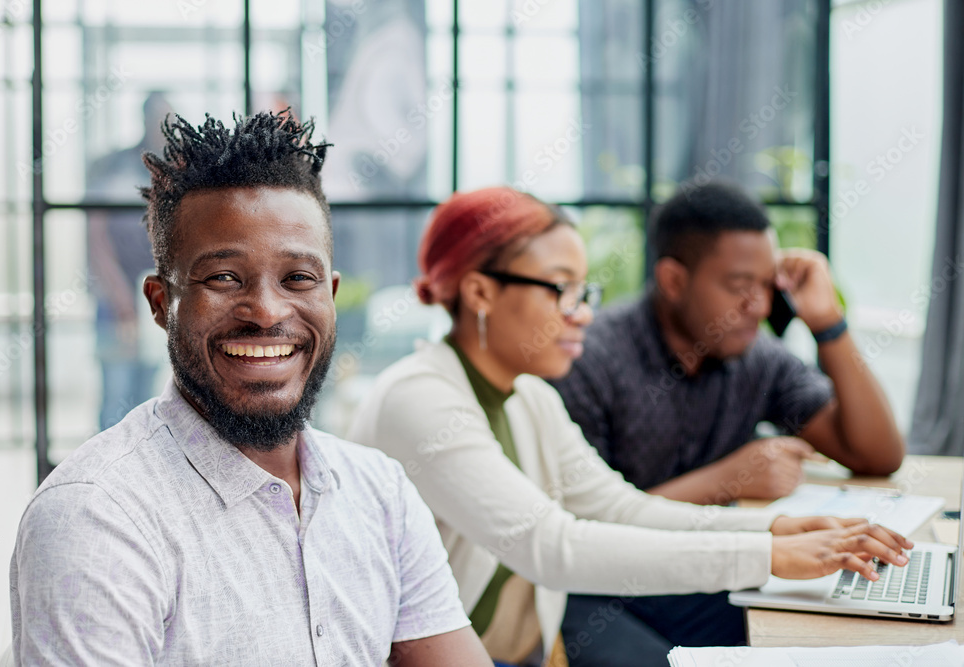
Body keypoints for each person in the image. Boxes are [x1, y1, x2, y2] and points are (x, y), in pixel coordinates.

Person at [346, 186, 912, 667]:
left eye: (584, 291)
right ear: (479, 292)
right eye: (560, 288)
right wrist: (764, 555)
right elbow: (552, 544)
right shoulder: (420, 397)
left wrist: (774, 533)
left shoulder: (530, 399)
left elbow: (620, 508)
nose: (583, 312)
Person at [9, 110, 491, 666]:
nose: (266, 312)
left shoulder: (380, 493)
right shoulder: (98, 518)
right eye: (223, 278)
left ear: (331, 295)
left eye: (298, 279)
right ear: (161, 304)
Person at [551, 179, 907, 664]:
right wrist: (728, 477)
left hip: (703, 571)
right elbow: (577, 528)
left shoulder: (754, 355)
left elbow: (877, 453)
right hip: (597, 591)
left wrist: (828, 324)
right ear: (674, 281)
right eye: (740, 287)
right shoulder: (589, 361)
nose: (758, 307)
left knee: (836, 632)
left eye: (767, 285)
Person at [87, 91, 172, 431]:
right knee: (116, 391)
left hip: (155, 298)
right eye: (157, 119)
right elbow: (96, 237)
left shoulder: (173, 171)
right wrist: (119, 292)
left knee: (145, 392)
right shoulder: (113, 166)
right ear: (144, 119)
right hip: (116, 299)